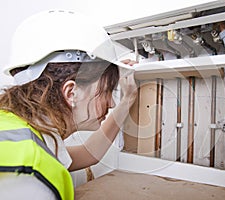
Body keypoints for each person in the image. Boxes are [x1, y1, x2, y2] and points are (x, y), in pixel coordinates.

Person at [0, 10, 137, 200]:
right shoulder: (31, 177)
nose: (111, 102)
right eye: (107, 91)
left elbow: (88, 154)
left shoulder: (19, 130)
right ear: (71, 92)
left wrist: (128, 99)